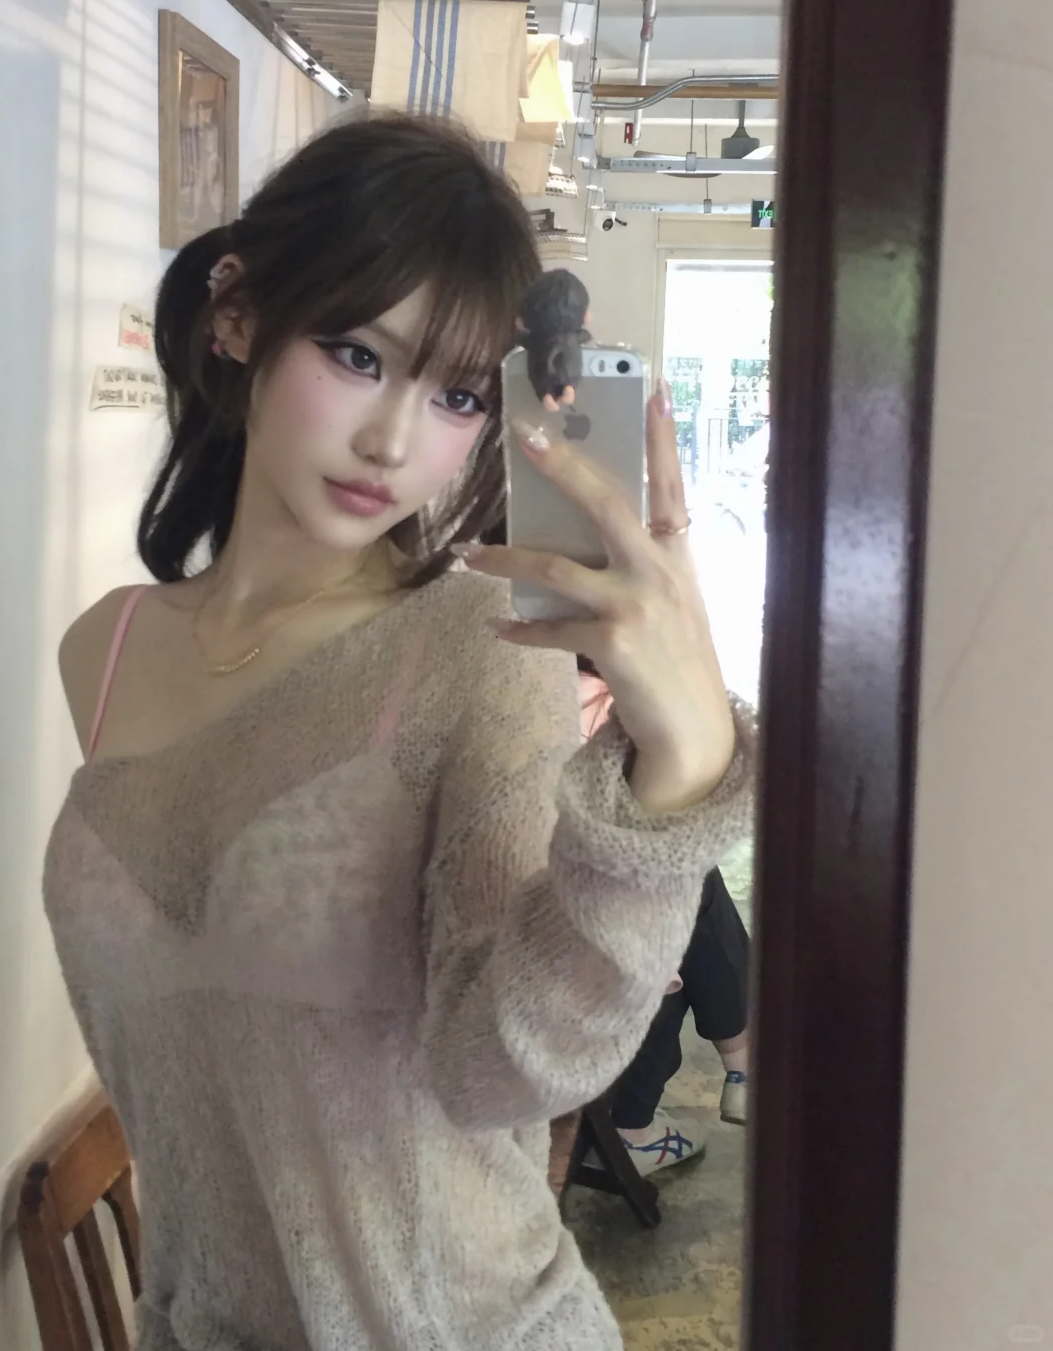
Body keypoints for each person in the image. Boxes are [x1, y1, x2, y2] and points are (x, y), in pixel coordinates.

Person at [45, 112, 754, 1351]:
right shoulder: (101, 651)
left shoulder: (473, 647)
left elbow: (507, 1071)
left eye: (458, 395)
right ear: (237, 315)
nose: (392, 442)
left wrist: (671, 794)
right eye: (357, 355)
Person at [580, 674, 751, 1176]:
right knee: (681, 896)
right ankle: (637, 1128)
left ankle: (741, 1063)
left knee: (680, 902)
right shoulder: (593, 700)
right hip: (549, 972)